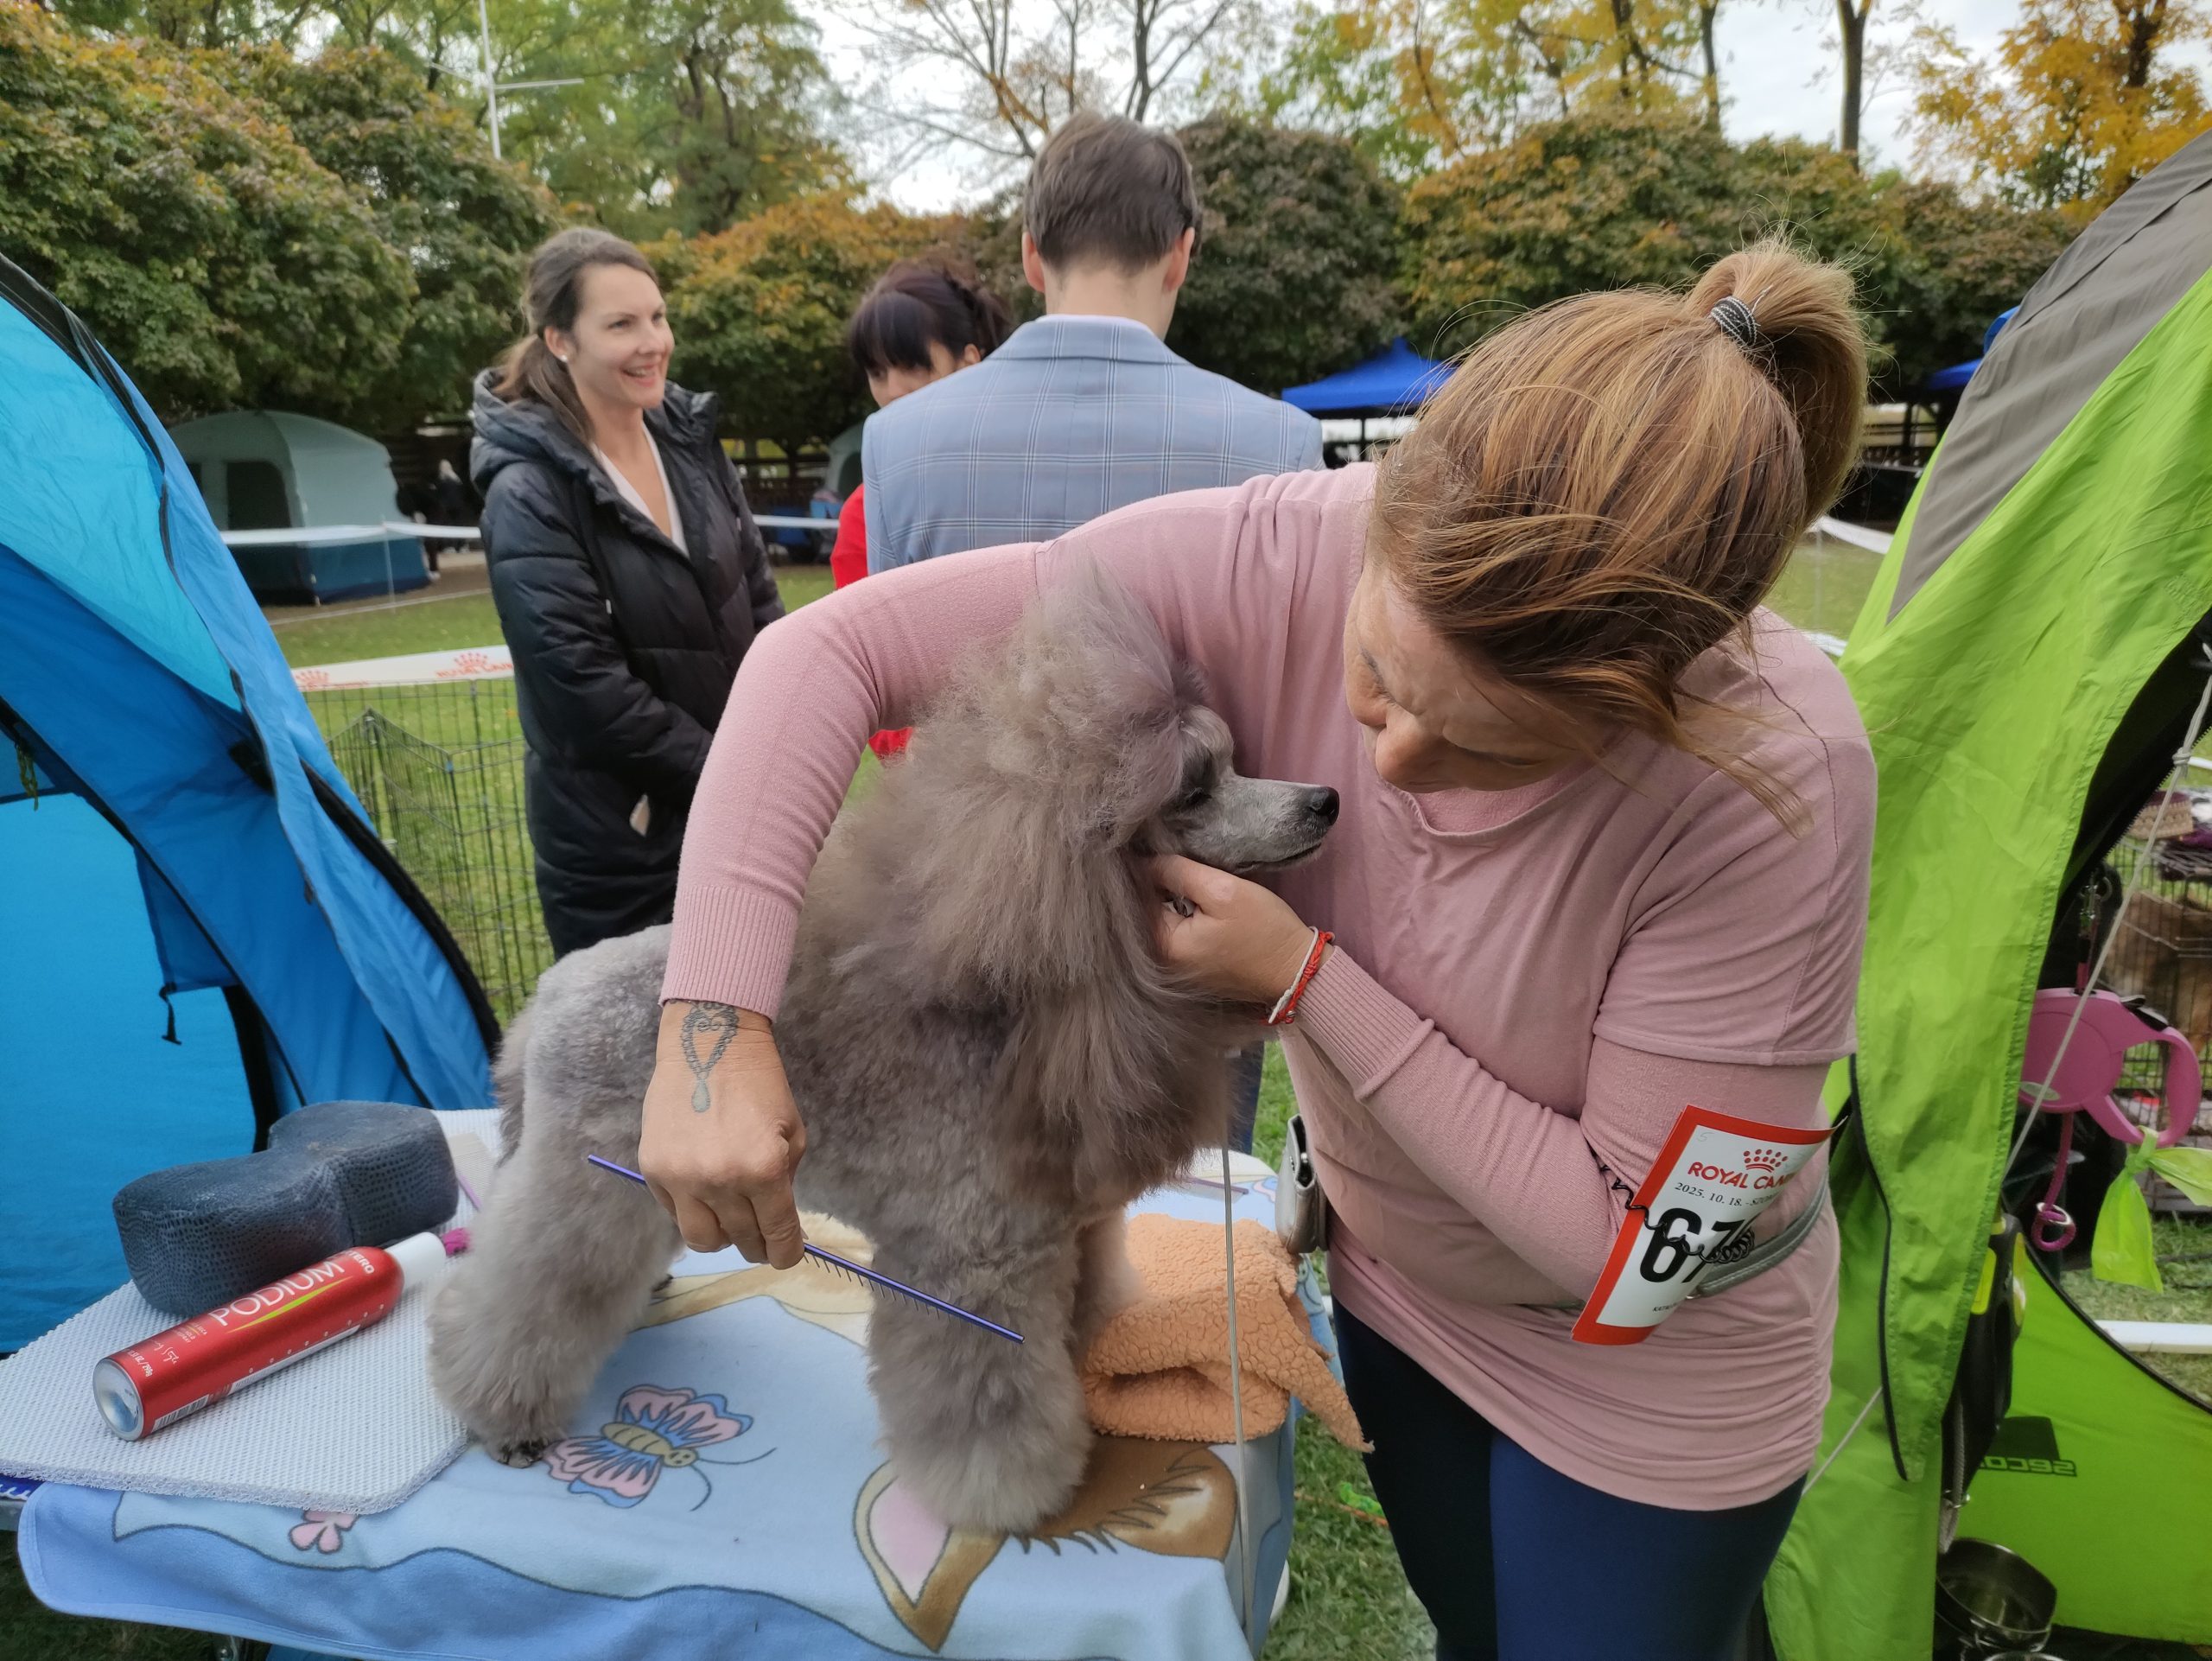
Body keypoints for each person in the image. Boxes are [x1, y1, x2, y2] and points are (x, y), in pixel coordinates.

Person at [639, 242, 1876, 1660]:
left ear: (1643, 705)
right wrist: (713, 1020)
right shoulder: (1275, 550)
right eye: (1376, 680)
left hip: (1655, 1374)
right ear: (1383, 523)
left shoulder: (1778, 774)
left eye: (1487, 748)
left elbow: (1623, 1241)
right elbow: (827, 656)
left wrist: (1308, 981)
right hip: (1405, 1294)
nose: (1389, 763)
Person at [473, 227, 784, 960]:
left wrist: (782, 734)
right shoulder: (528, 491)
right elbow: (583, 687)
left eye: (658, 317)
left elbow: (758, 595)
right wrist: (734, 772)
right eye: (621, 324)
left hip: (737, 818)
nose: (653, 343)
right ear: (560, 340)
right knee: (652, 1033)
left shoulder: (690, 442)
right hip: (626, 852)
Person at [859, 111, 1322, 575]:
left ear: (1031, 257)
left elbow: (885, 622)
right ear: (1180, 256)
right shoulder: (1284, 449)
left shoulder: (896, 443)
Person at [832, 259, 1014, 757]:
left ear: (969, 363)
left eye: (914, 366)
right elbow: (870, 682)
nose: (893, 391)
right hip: (947, 773)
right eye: (877, 372)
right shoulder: (865, 511)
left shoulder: (1027, 470)